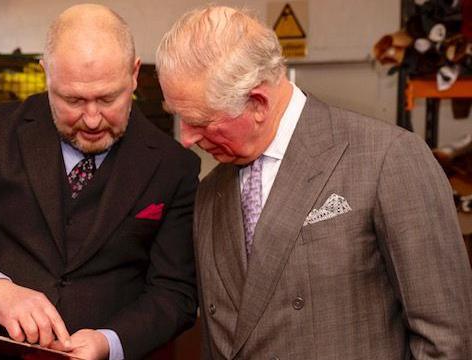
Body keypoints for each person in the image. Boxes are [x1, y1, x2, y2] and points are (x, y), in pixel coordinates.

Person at [156, 5, 472, 359]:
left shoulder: (387, 159)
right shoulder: (211, 191)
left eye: (200, 121)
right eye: (180, 118)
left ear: (257, 102)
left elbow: (446, 341)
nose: (185, 138)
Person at [0, 4, 200, 360]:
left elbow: (174, 293)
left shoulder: (174, 165)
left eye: (108, 98)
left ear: (134, 74)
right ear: (46, 74)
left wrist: (109, 342)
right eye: (72, 100)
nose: (92, 120)